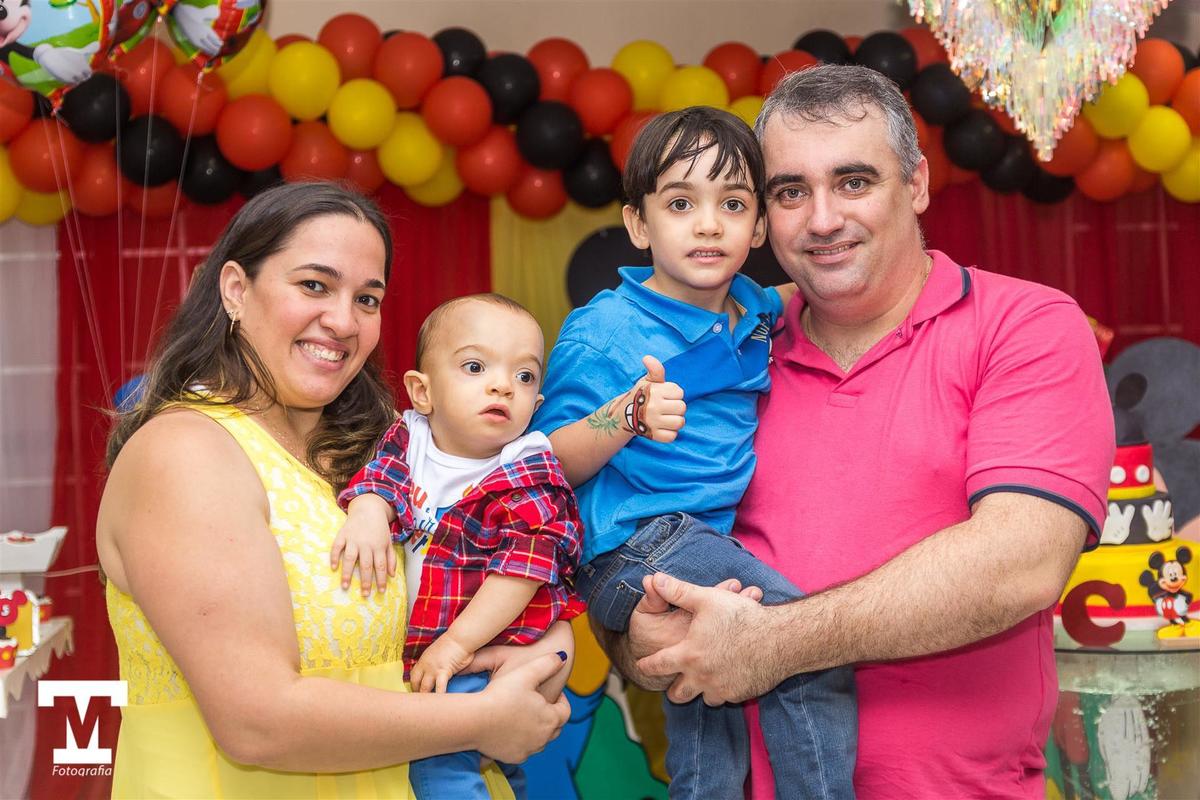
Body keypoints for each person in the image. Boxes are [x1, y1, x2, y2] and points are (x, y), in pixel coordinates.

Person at [596, 64, 1116, 799]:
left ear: (919, 184)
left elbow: (1022, 563)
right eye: (788, 192)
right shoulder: (727, 348)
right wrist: (631, 635)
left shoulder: (1024, 326)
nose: (821, 220)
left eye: (853, 181)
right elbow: (622, 524)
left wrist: (773, 644)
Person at [96, 182, 571, 799]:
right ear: (236, 289)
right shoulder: (186, 451)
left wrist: (544, 653)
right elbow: (256, 721)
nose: (344, 322)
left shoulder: (378, 454)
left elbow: (509, 555)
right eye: (314, 285)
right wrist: (487, 719)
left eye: (367, 298)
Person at [531, 107, 856, 800]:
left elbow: (797, 292)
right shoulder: (605, 329)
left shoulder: (751, 310)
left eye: (732, 204)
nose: (708, 224)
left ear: (759, 227)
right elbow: (547, 462)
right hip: (638, 545)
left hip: (704, 542)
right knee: (796, 643)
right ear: (640, 225)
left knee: (708, 696)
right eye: (681, 203)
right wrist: (628, 415)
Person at [332, 293, 584, 799]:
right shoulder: (410, 439)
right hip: (432, 653)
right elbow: (382, 478)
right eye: (475, 366)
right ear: (422, 392)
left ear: (536, 407)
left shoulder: (525, 471)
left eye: (525, 377)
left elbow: (522, 571)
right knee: (489, 775)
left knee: (441, 769)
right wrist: (367, 510)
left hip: (488, 649)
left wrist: (456, 646)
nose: (501, 385)